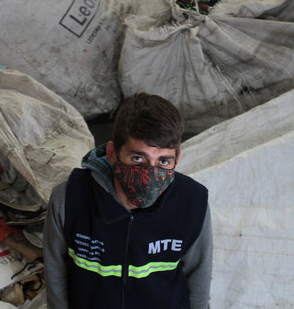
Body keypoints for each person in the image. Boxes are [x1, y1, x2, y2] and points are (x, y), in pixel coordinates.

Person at [43, 93, 213, 309]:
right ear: (113, 153)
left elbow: (199, 278)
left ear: (177, 159)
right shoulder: (70, 199)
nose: (150, 174)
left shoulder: (192, 203)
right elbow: (55, 272)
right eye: (138, 158)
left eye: (163, 161)